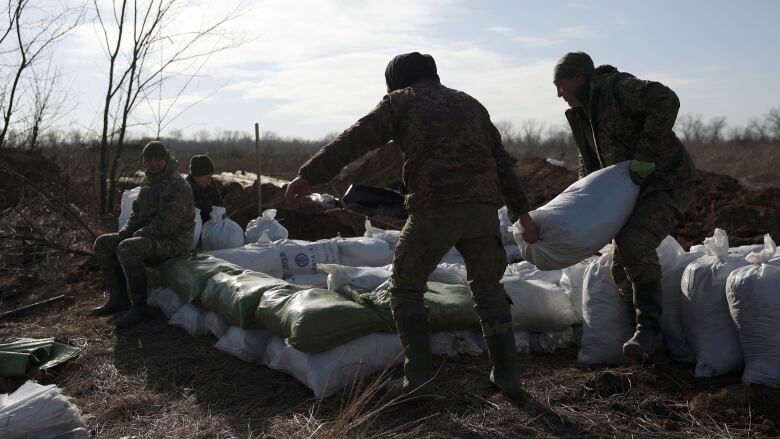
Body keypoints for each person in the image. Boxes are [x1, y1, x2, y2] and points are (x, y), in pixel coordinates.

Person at [285, 52, 538, 401]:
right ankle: (508, 378)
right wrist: (522, 213)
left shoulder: (401, 102)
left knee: (405, 288)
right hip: (482, 212)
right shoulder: (471, 105)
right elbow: (502, 164)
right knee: (489, 291)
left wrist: (308, 175)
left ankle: (417, 380)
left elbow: (356, 139)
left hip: (434, 210)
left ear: (396, 80)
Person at [553, 51, 701, 362]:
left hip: (666, 182)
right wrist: (586, 203)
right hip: (631, 191)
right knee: (620, 264)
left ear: (579, 77)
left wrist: (646, 156)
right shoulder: (582, 115)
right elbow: (589, 162)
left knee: (635, 241)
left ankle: (649, 328)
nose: (559, 94)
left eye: (561, 84)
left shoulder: (616, 88)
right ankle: (645, 341)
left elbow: (665, 99)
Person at [92, 141, 195, 327]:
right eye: (149, 161)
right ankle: (118, 298)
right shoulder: (150, 180)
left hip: (174, 242)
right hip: (150, 236)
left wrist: (137, 234)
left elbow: (167, 224)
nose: (153, 164)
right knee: (103, 243)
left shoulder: (176, 184)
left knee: (128, 248)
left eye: (158, 160)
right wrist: (126, 231)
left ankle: (139, 306)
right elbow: (136, 212)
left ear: (165, 159)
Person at [186, 154, 222, 224]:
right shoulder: (184, 189)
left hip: (212, 227)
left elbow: (219, 203)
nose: (210, 180)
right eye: (207, 177)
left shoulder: (211, 186)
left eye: (211, 177)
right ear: (196, 175)